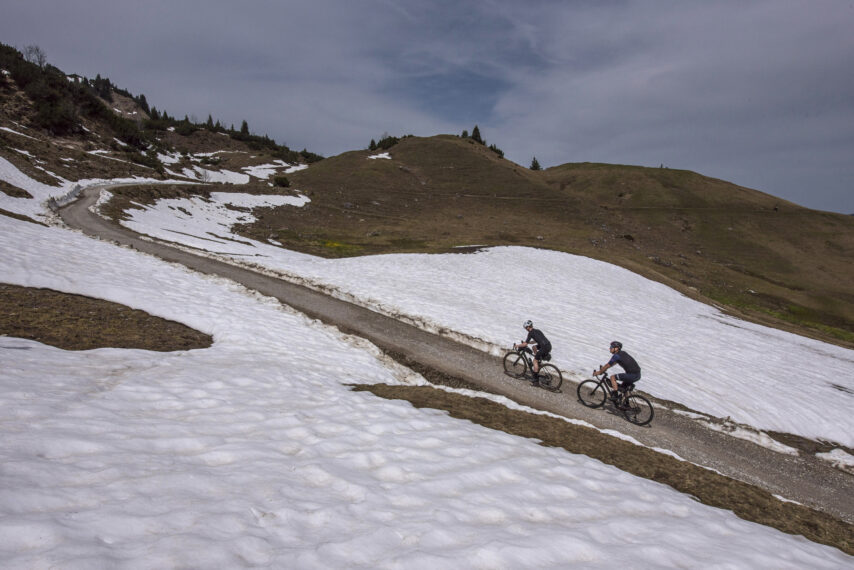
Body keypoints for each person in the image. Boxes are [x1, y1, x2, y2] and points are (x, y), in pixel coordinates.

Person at [593, 341, 641, 406]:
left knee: (612, 377)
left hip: (632, 375)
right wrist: (603, 369)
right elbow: (611, 364)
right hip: (637, 374)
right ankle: (626, 404)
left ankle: (615, 396)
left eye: (611, 347)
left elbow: (608, 365)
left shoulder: (616, 356)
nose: (610, 348)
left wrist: (599, 372)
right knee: (624, 388)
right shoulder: (622, 353)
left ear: (616, 348)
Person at [514, 320, 552, 386]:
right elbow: (535, 340)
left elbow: (524, 345)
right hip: (548, 345)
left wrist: (517, 345)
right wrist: (528, 342)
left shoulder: (530, 333)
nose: (526, 329)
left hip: (543, 347)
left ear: (528, 327)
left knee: (534, 361)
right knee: (534, 347)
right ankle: (538, 360)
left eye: (526, 328)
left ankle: (536, 381)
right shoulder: (537, 330)